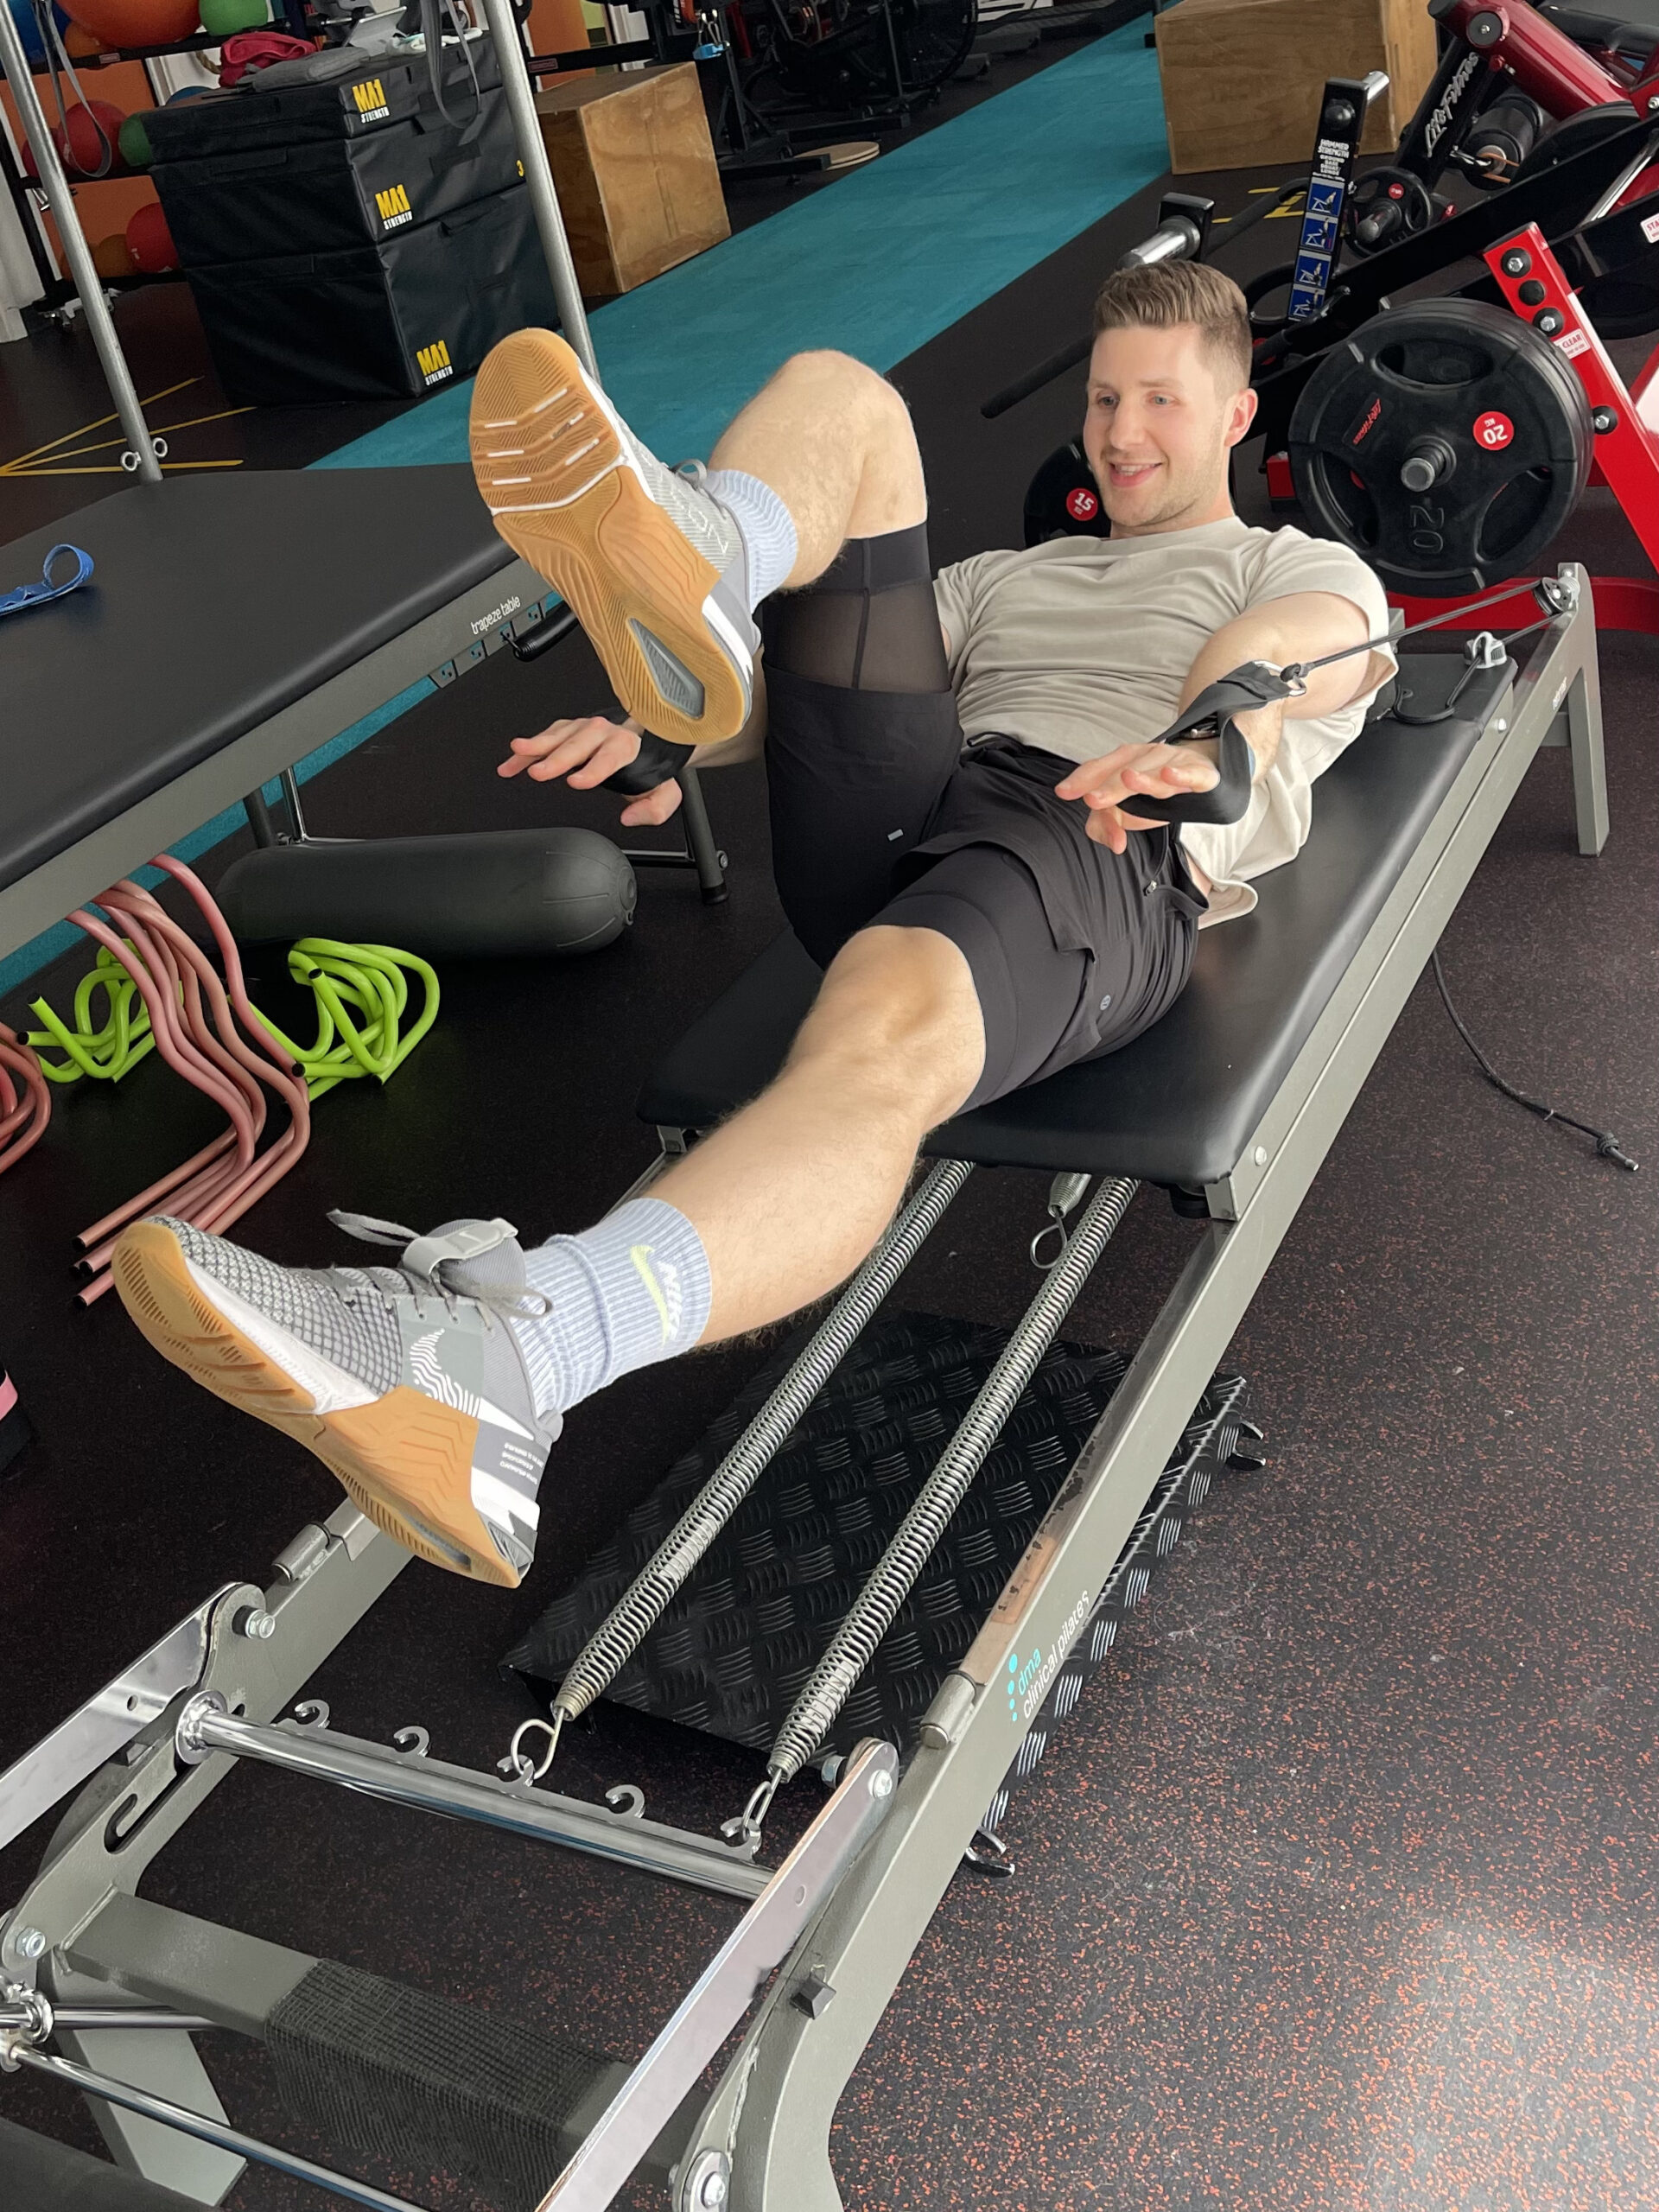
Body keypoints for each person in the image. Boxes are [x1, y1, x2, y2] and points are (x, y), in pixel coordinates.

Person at [111, 263, 1393, 1590]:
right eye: (1105, 398)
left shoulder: (1294, 566)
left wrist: (1213, 739)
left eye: (1161, 402)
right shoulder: (1017, 574)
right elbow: (816, 693)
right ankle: (717, 549)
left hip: (1099, 835)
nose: (1121, 433)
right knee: (845, 399)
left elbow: (1303, 649)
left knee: (879, 1035)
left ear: (1236, 415)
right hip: (909, 818)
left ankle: (517, 1357)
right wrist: (664, 731)